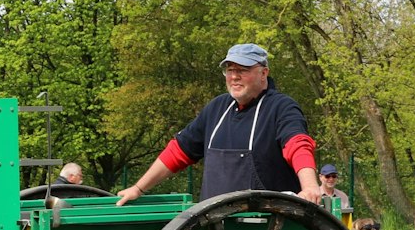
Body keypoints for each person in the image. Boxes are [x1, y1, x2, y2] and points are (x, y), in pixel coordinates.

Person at [117, 44, 321, 203]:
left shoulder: (281, 106)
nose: (234, 76)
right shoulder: (217, 108)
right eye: (230, 70)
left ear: (263, 73)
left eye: (243, 69)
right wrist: (138, 188)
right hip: (215, 229)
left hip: (267, 228)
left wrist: (310, 187)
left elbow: (298, 145)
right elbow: (178, 151)